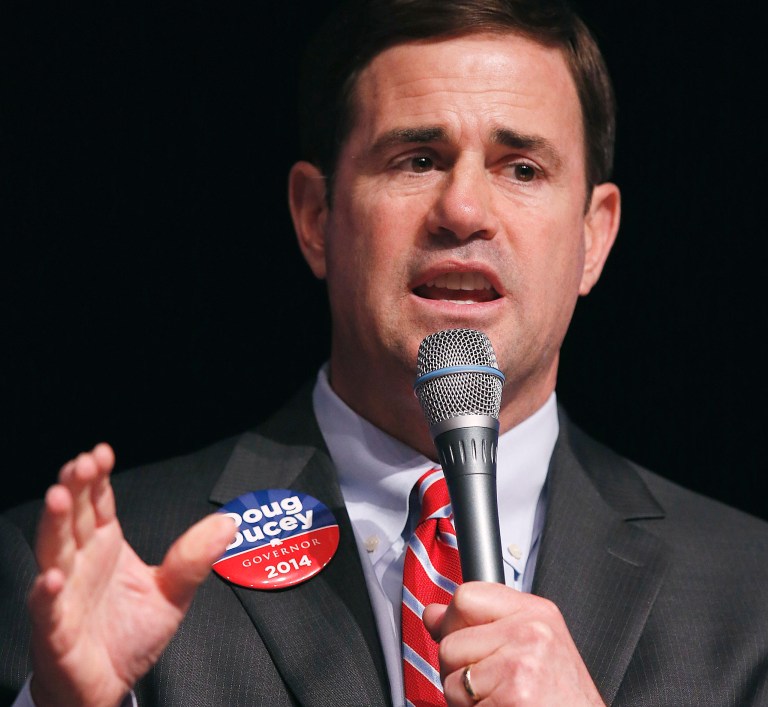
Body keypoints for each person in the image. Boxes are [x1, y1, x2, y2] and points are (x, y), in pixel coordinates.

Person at [2, 0, 768, 705]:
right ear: (315, 216)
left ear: (593, 237)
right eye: (418, 159)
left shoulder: (750, 590)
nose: (463, 210)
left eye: (522, 168)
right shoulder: (83, 570)